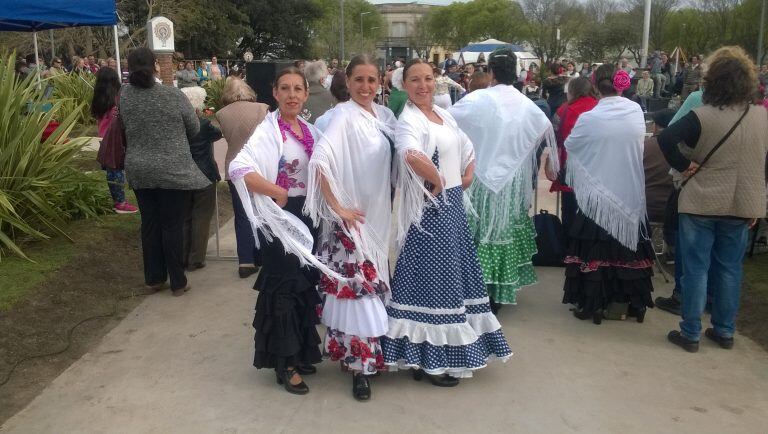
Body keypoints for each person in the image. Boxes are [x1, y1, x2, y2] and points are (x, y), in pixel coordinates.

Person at [382, 58, 512, 384]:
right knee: (435, 282)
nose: (423, 85)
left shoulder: (442, 114)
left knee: (443, 278)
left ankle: (421, 354)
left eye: (428, 78)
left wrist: (467, 174)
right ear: (404, 84)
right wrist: (437, 180)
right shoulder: (408, 119)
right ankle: (430, 360)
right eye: (415, 80)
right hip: (431, 211)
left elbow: (465, 146)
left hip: (451, 207)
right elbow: (409, 153)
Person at [229, 67, 332, 395]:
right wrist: (276, 190)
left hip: (307, 215)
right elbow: (238, 168)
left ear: (305, 94)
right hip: (280, 218)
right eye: (285, 88)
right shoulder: (268, 131)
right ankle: (284, 363)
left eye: (297, 89)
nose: (292, 95)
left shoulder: (309, 131)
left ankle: (299, 353)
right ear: (274, 93)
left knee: (302, 286)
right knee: (284, 290)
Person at [659, 46, 768, 353]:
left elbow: (665, 138)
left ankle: (691, 332)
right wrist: (759, 197)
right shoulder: (762, 117)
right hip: (741, 202)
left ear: (713, 81)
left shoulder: (701, 115)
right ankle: (724, 330)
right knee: (730, 268)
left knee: (696, 268)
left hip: (702, 200)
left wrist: (683, 166)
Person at [304, 54, 397, 401]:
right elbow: (320, 161)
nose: (366, 87)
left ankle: (367, 356)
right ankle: (360, 369)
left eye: (372, 80)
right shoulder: (343, 116)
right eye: (359, 79)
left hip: (378, 216)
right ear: (348, 82)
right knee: (360, 293)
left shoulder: (384, 116)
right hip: (352, 221)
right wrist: (338, 205)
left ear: (380, 83)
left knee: (372, 288)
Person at [450, 48, 558, 309]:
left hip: (477, 178)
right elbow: (544, 129)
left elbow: (448, 121)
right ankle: (496, 293)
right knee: (500, 233)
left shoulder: (477, 100)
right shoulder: (527, 105)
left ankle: (472, 292)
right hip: (510, 185)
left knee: (476, 234)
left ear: (490, 72)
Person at [561, 64, 655, 324]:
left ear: (594, 85)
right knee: (627, 248)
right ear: (623, 84)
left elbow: (572, 145)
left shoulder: (590, 118)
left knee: (596, 250)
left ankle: (594, 303)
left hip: (597, 194)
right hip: (629, 190)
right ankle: (629, 301)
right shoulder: (635, 111)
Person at [120, 48, 208, 295]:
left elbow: (124, 126)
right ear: (156, 66)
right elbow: (193, 128)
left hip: (140, 169)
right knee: (172, 225)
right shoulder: (173, 96)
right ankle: (178, 282)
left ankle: (154, 279)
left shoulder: (124, 95)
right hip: (173, 170)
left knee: (149, 224)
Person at [215, 77, 270, 278]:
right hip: (259, 167)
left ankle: (245, 261)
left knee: (242, 215)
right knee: (263, 211)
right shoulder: (262, 109)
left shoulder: (221, 114)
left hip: (234, 167)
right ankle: (263, 254)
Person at [548, 77, 598, 237]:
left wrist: (551, 160)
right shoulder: (599, 107)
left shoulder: (563, 109)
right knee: (591, 211)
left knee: (568, 209)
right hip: (595, 166)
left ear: (572, 91)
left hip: (569, 167)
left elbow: (554, 137)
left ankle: (568, 246)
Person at [180, 86, 221, 270]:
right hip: (204, 173)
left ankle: (183, 254)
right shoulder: (203, 124)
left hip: (183, 174)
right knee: (202, 217)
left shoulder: (178, 124)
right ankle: (196, 258)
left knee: (185, 216)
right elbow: (218, 134)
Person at [91, 67, 138, 215]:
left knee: (111, 169)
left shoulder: (98, 98)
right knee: (117, 169)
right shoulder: (117, 98)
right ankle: (120, 203)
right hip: (115, 138)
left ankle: (117, 200)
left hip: (103, 136)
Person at [643, 109, 674, 224]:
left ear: (655, 126)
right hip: (674, 208)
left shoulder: (643, 147)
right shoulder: (683, 147)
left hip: (646, 207)